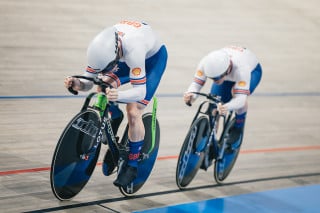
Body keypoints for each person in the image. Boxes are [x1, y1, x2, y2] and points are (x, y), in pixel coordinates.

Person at [64, 20, 168, 187]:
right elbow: (88, 82)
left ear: (116, 53)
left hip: (151, 61)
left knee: (133, 111)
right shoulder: (100, 48)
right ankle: (115, 115)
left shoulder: (134, 48)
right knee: (102, 86)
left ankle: (132, 165)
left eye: (108, 67)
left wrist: (118, 95)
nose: (105, 71)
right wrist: (78, 84)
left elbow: (139, 91)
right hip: (125, 60)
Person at [184, 46, 262, 147]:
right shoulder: (206, 63)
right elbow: (196, 84)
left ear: (227, 69)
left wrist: (227, 107)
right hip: (229, 73)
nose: (214, 81)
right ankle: (211, 141)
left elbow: (240, 100)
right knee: (214, 103)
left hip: (252, 71)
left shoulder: (242, 70)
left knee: (236, 93)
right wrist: (191, 95)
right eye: (211, 78)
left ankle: (239, 126)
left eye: (216, 78)